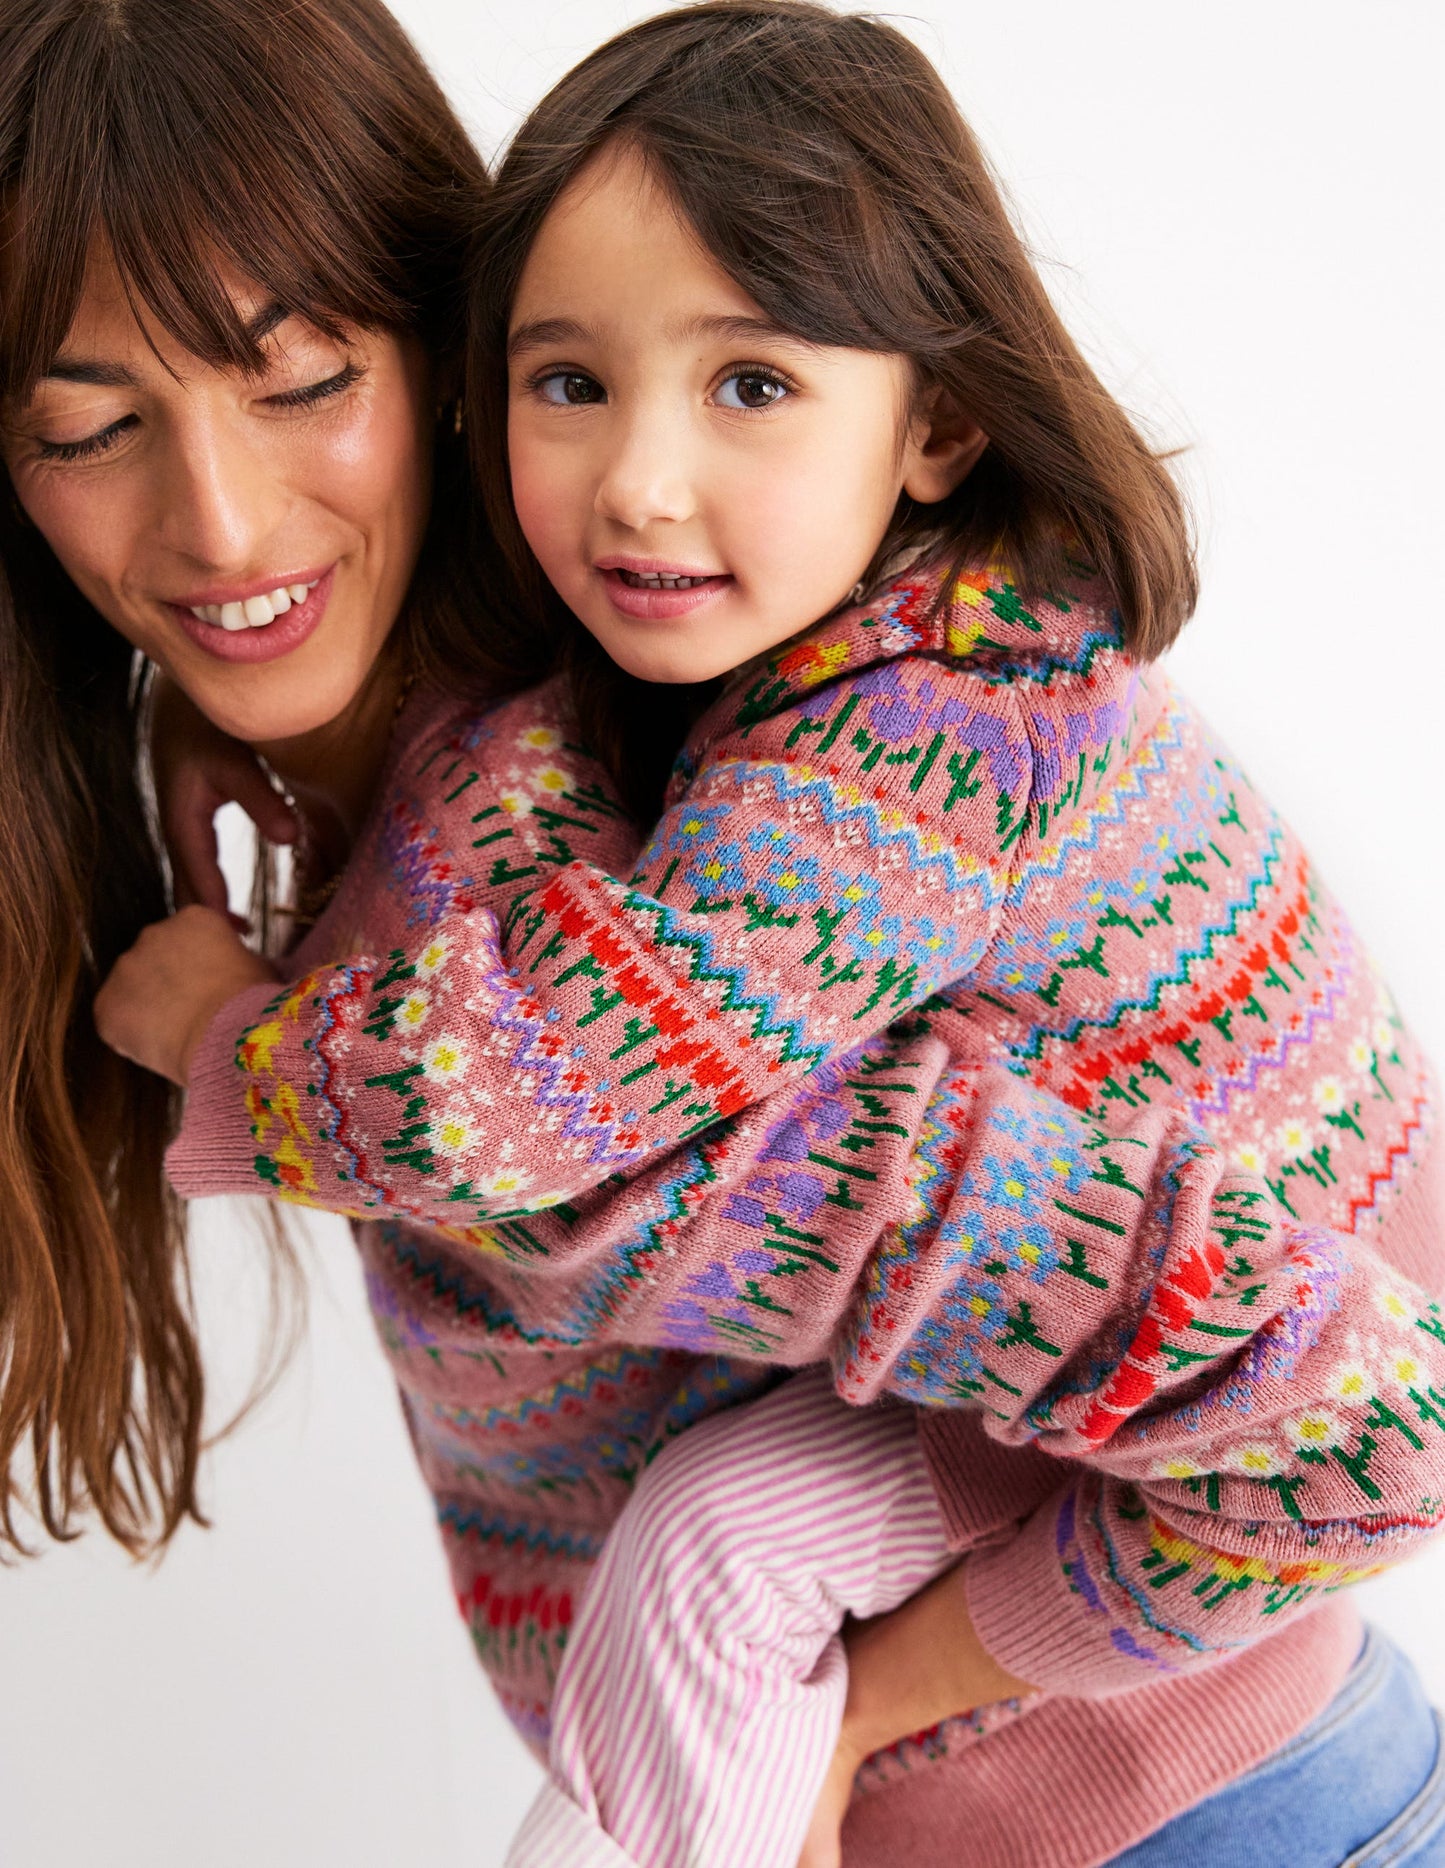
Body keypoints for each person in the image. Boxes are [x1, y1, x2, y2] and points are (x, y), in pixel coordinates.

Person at [3, 8, 1443, 1868]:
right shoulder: (648, 726)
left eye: (300, 384)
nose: (215, 518)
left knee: (718, 1556)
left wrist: (241, 1056)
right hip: (1136, 1790)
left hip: (1182, 1821)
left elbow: (1368, 1417)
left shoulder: (709, 844)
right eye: (87, 426)